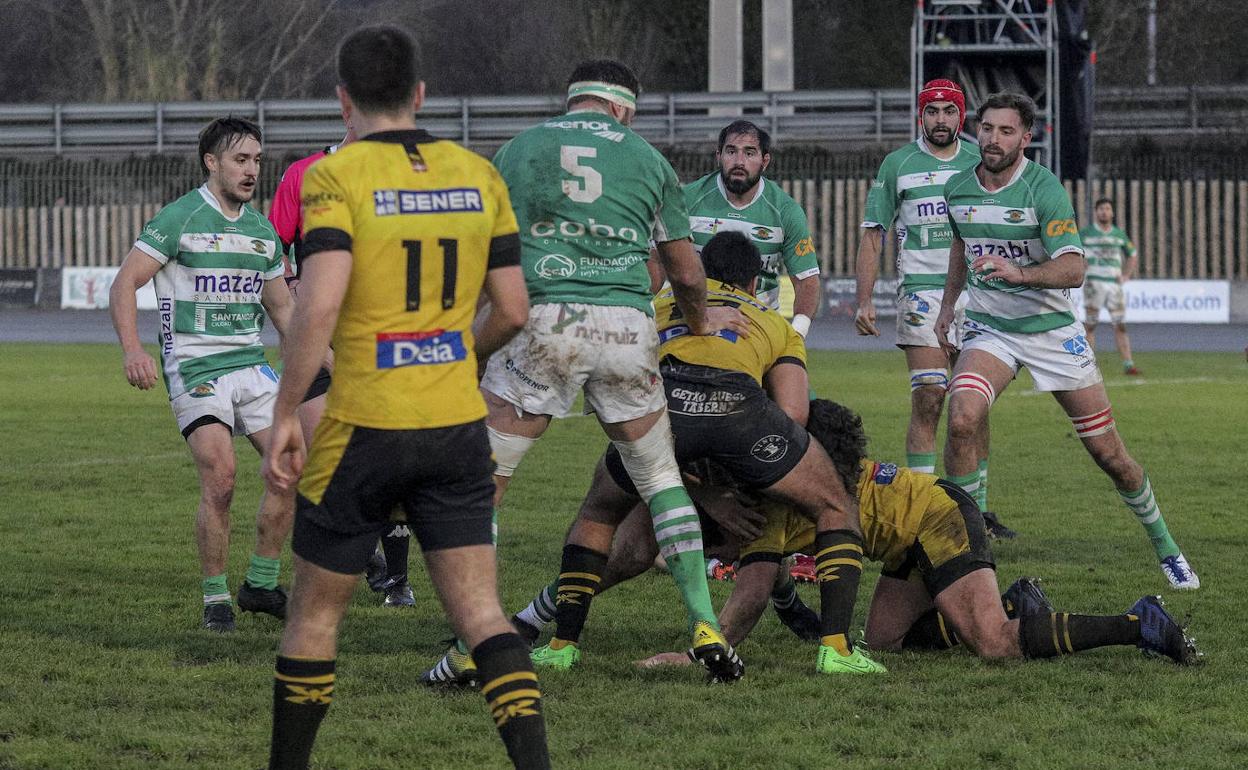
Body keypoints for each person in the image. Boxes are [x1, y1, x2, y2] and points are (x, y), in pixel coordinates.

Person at [260, 26, 550, 769]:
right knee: (482, 613)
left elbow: (318, 307)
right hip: (456, 426)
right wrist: (456, 353)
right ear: (422, 95)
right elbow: (513, 309)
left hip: (364, 423)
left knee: (316, 614)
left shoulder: (335, 176)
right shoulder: (480, 173)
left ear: (342, 100)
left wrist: (288, 408)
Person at [472, 59, 748, 676]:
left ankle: (483, 629)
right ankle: (704, 624)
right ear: (624, 109)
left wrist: (472, 342)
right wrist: (701, 325)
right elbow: (685, 273)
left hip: (545, 324)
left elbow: (487, 257)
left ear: (575, 100)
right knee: (659, 476)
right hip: (624, 326)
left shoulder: (519, 149)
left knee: (484, 481)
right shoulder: (649, 159)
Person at [520, 231, 877, 677]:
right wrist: (743, 469)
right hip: (739, 412)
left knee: (600, 509)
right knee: (834, 505)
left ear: (703, 273)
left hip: (661, 410)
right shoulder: (774, 322)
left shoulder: (663, 305)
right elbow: (792, 412)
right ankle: (837, 651)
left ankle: (561, 645)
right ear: (753, 283)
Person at [636, 400, 1200, 667]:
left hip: (940, 518)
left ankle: (1138, 623)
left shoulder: (777, 500)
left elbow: (754, 592)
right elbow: (760, 578)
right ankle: (1016, 603)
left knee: (996, 645)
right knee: (884, 641)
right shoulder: (788, 484)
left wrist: (698, 654)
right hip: (908, 542)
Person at [935, 92, 1198, 590]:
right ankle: (969, 549)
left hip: (1052, 334)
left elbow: (1074, 269)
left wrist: (1019, 272)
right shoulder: (958, 189)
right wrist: (949, 307)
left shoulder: (1043, 189)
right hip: (990, 330)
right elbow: (960, 246)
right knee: (964, 417)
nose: (993, 139)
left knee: (1110, 455)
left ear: (1026, 138)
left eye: (1006, 131)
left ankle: (1166, 546)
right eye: (987, 128)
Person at [109, 116, 294, 633]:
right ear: (211, 162)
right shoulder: (180, 217)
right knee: (223, 473)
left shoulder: (262, 233)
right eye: (240, 159)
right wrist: (132, 349)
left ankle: (260, 581)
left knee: (289, 465)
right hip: (194, 364)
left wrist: (330, 361)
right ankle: (216, 597)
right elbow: (125, 284)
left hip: (250, 365)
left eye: (257, 160)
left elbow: (284, 314)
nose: (252, 169)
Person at [268, 122, 407, 607]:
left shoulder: (404, 177)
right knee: (325, 459)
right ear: (350, 113)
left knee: (387, 460)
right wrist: (291, 292)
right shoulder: (304, 174)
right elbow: (273, 246)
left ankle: (396, 580)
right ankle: (351, 562)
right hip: (317, 337)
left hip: (380, 338)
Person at [854, 79, 1002, 531]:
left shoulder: (982, 159)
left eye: (949, 110)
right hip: (921, 292)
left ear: (962, 116)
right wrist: (864, 299)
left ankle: (974, 514)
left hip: (978, 295)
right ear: (921, 116)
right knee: (930, 397)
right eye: (932, 111)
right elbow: (873, 232)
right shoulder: (898, 164)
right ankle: (921, 510)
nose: (941, 119)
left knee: (972, 408)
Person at [682, 120, 821, 335]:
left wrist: (798, 334)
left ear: (765, 161)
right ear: (718, 155)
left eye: (749, 153)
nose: (739, 161)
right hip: (694, 323)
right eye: (731, 151)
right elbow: (656, 260)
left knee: (794, 371)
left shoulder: (786, 211)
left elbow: (806, 281)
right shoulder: (686, 201)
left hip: (758, 328)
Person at [1080, 197, 1141, 375]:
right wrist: (1081, 267)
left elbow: (1133, 254)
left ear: (1112, 213)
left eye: (1107, 209)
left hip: (1114, 286)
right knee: (1090, 324)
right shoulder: (1085, 234)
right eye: (1101, 209)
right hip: (1093, 283)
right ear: (1096, 212)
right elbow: (1074, 252)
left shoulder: (1119, 234)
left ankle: (1129, 364)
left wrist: (1126, 275)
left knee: (1120, 324)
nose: (1104, 212)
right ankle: (1088, 365)